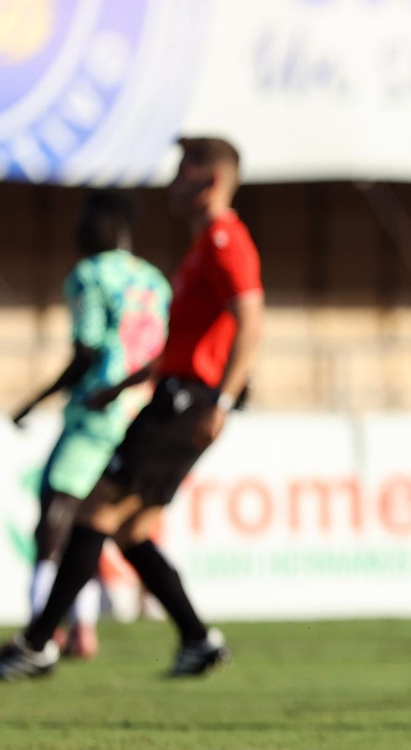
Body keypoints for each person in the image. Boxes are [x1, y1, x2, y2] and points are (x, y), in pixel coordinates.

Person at [0, 136, 263, 681]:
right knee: (132, 529)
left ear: (210, 181)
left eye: (184, 171)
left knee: (95, 511)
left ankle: (38, 643)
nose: (173, 180)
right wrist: (122, 386)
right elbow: (180, 345)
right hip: (174, 392)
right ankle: (198, 640)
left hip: (186, 402)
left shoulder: (223, 239)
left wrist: (224, 399)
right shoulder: (199, 249)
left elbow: (252, 320)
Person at [10, 192, 171, 660]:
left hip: (98, 410)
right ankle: (84, 628)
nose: (78, 230)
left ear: (108, 225)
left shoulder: (89, 274)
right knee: (97, 519)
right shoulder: (152, 279)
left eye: (84, 221)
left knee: (56, 513)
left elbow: (87, 353)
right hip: (141, 412)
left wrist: (33, 400)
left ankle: (47, 627)